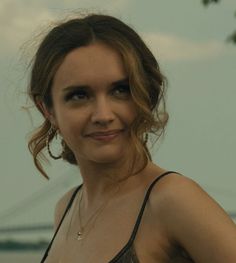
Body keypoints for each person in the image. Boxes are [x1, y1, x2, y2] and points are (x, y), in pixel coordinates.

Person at [27, 13, 236, 263]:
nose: (103, 115)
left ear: (144, 96)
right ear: (47, 110)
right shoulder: (66, 208)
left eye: (120, 90)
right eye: (79, 95)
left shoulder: (173, 200)